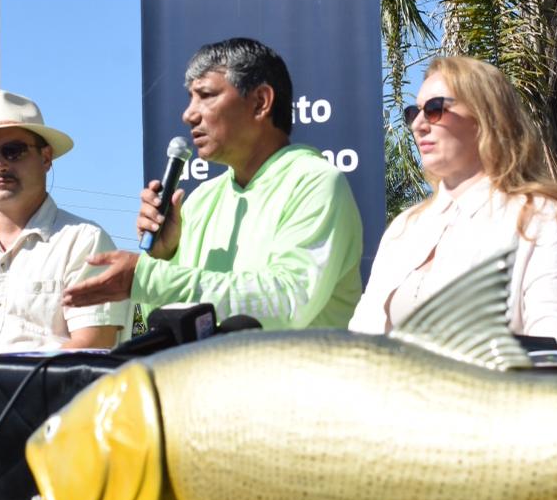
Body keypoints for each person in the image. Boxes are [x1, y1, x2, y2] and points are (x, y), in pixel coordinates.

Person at [63, 37, 364, 329]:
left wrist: (148, 278)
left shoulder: (314, 182)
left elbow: (286, 304)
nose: (188, 114)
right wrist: (165, 256)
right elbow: (168, 320)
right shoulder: (201, 200)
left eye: (206, 95)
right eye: (190, 98)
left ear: (260, 102)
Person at [349, 56, 557, 348]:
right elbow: (361, 342)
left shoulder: (537, 217)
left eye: (435, 109)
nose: (419, 124)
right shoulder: (404, 229)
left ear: (485, 117)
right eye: (414, 112)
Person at [0, 91, 130, 354]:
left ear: (46, 158)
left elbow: (92, 346)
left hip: (57, 394)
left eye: (13, 151)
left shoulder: (84, 242)